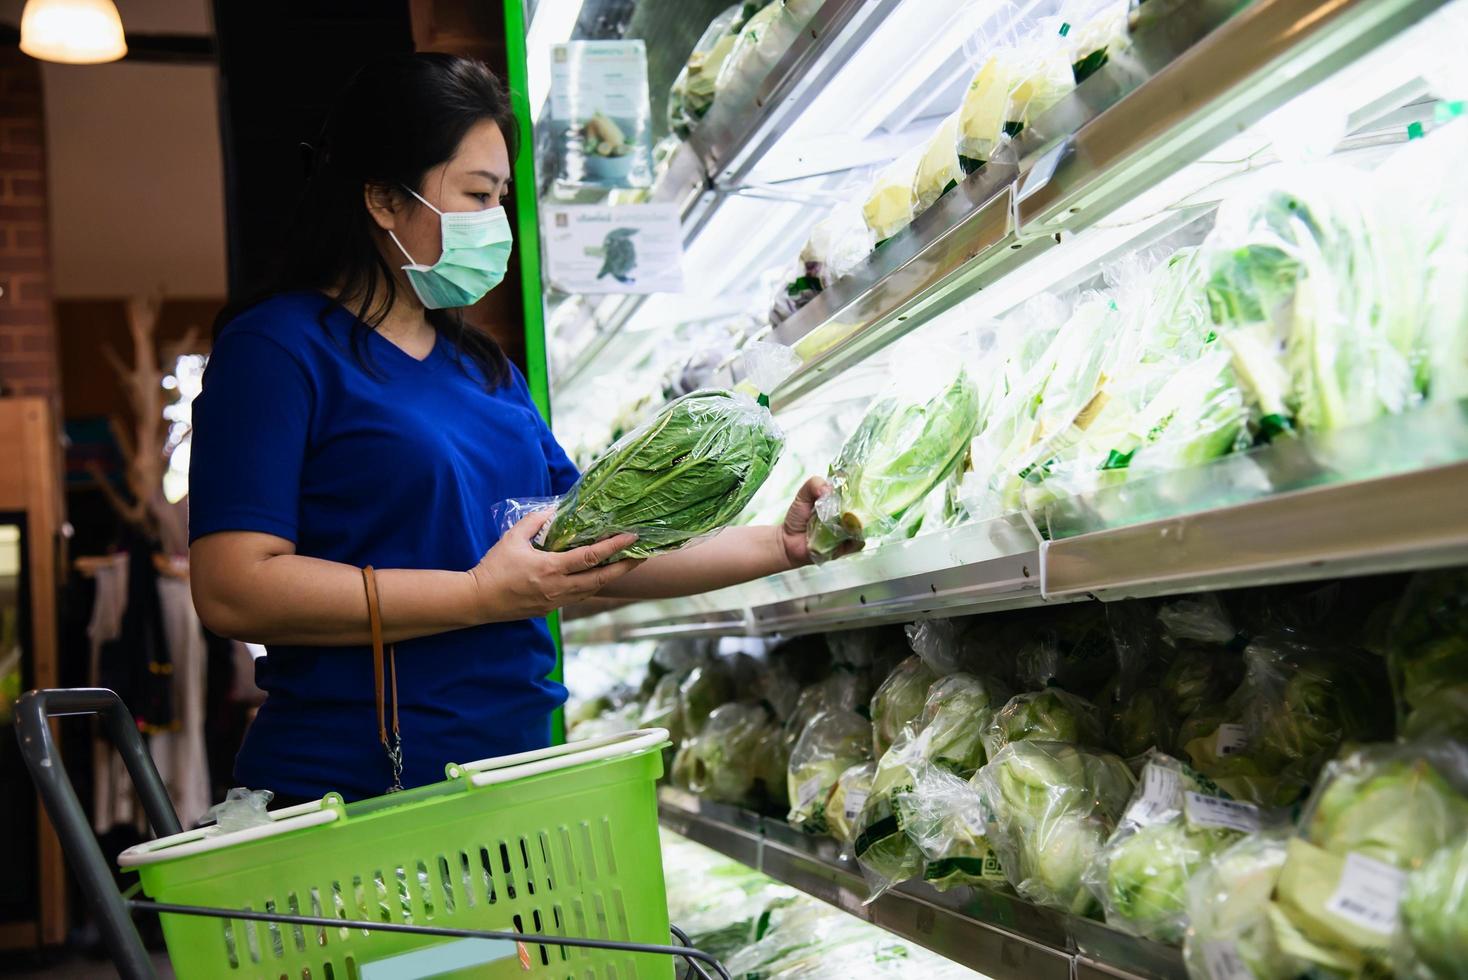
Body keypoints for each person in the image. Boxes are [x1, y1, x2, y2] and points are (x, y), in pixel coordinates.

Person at [189, 53, 837, 804]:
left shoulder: (486, 373)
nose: (494, 222)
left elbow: (590, 560)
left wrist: (779, 545)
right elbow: (233, 588)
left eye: (500, 197)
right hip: (359, 802)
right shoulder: (279, 350)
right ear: (380, 198)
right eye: (474, 194)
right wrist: (475, 595)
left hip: (517, 785)